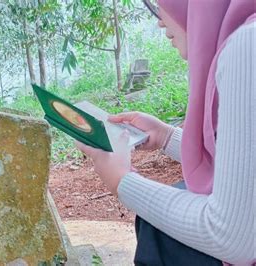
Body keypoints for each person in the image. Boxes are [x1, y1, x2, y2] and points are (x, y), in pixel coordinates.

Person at [76, 0, 255, 265]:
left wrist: (122, 181)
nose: (160, 19)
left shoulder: (247, 46)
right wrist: (167, 137)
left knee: (159, 233)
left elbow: (233, 236)